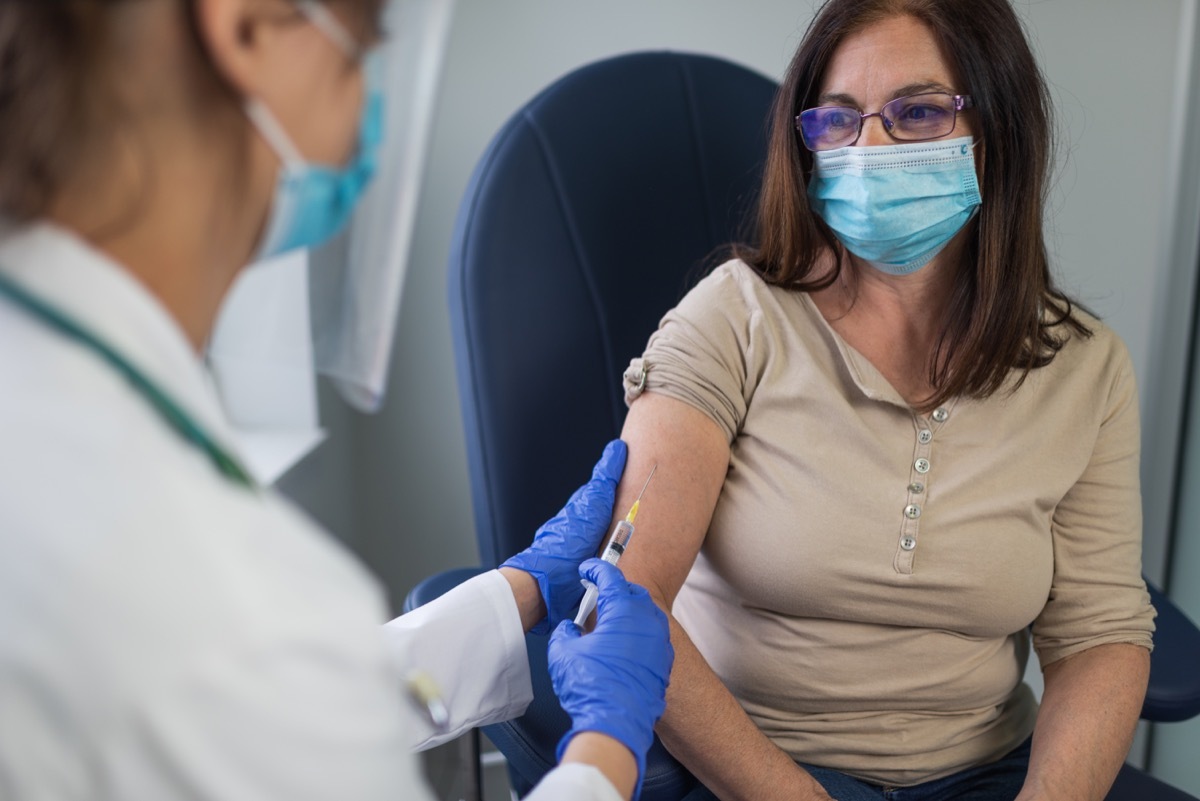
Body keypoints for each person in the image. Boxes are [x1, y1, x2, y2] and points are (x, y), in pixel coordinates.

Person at [0, 1, 671, 800]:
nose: (367, 100)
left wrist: (513, 592)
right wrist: (603, 751)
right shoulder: (222, 599)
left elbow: (260, 722)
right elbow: (259, 691)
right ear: (245, 27)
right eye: (361, 49)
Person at [609, 1, 1156, 800]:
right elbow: (632, 595)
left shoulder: (1087, 369)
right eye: (837, 120)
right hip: (747, 769)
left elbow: (1100, 635)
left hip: (990, 773)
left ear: (996, 133)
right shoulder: (733, 318)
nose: (868, 148)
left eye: (919, 111)